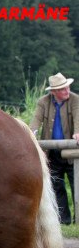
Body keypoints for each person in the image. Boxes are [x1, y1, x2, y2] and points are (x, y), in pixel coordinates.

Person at [30, 72, 79, 225]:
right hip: (51, 152)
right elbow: (36, 121)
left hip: (72, 151)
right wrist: (31, 133)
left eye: (67, 87)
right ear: (54, 92)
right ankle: (64, 221)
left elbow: (78, 117)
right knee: (57, 186)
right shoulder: (43, 102)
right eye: (63, 89)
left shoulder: (75, 100)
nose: (67, 90)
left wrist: (78, 132)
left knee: (76, 184)